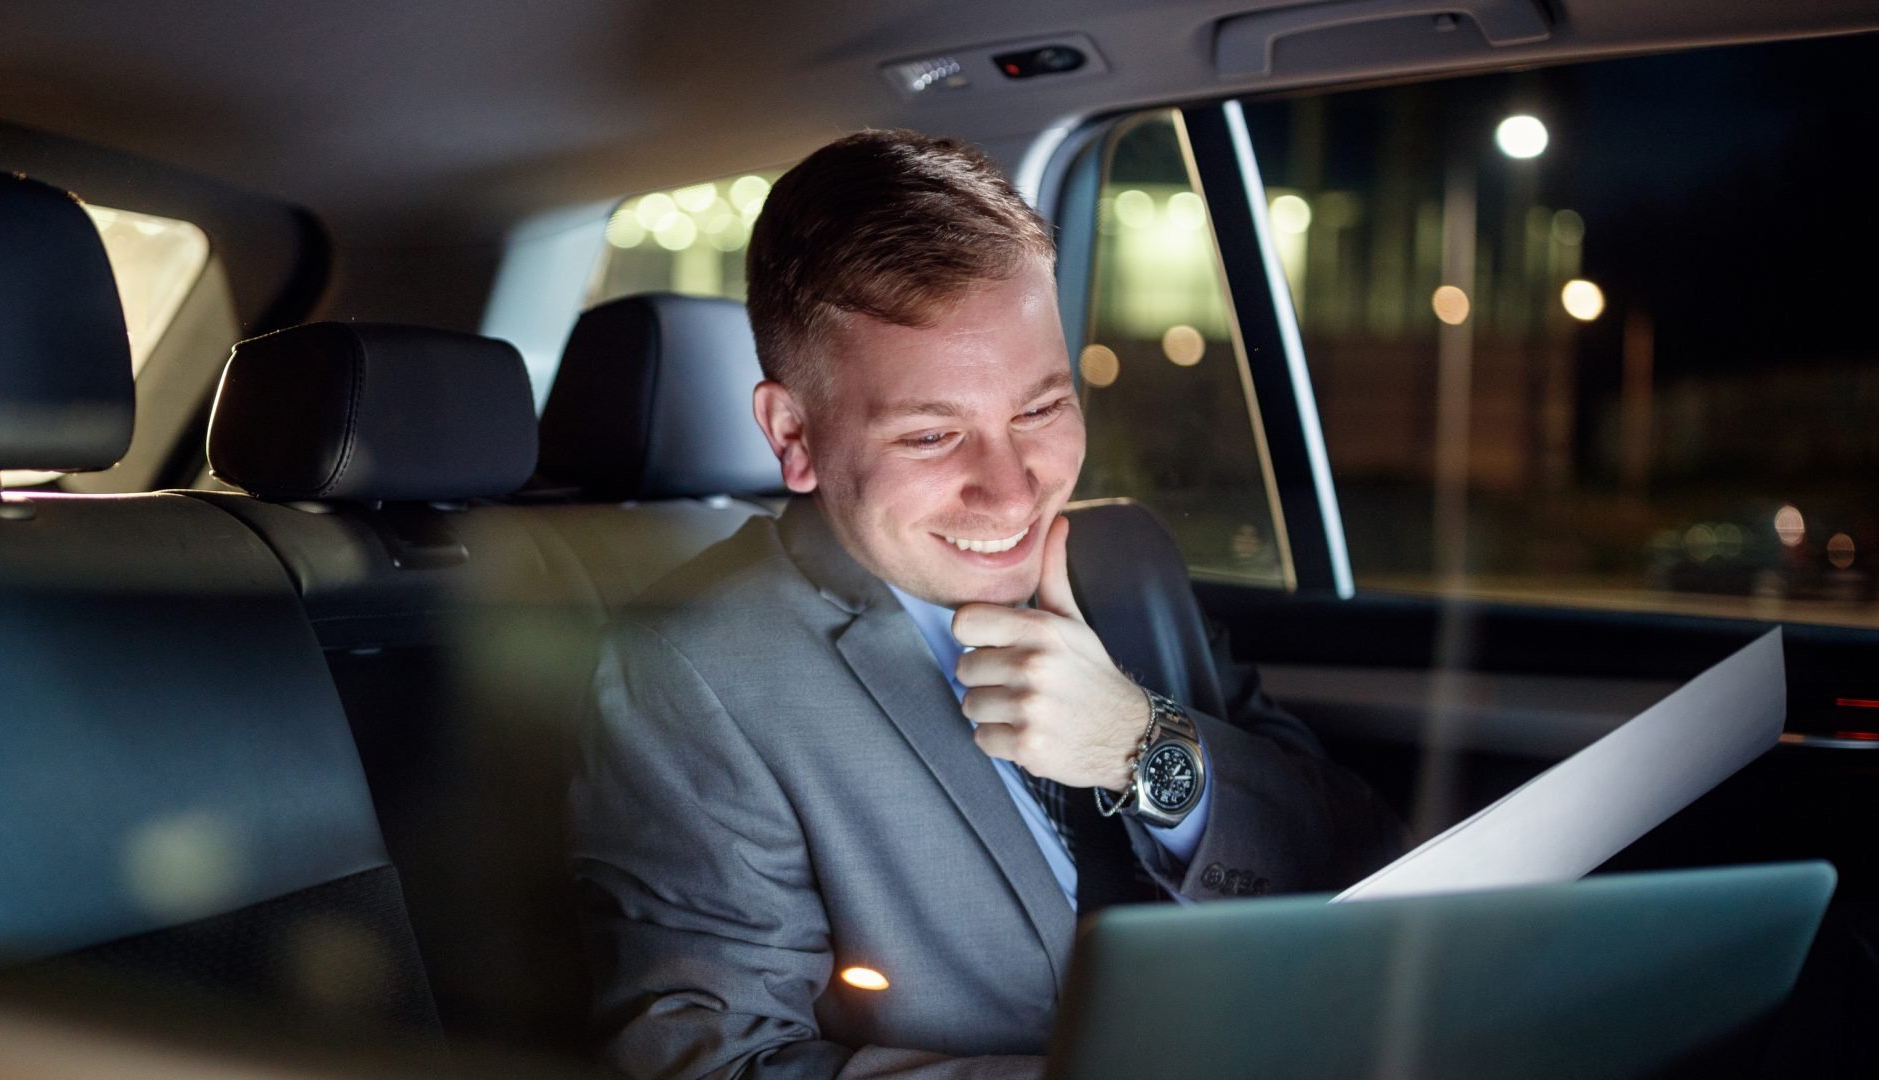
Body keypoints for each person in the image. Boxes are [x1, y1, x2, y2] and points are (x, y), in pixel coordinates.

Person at [569, 129, 1406, 1079]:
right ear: (792, 432)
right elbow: (714, 1064)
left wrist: (1146, 748)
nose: (1013, 495)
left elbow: (1369, 861)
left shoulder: (1124, 560)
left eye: (1041, 411)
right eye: (933, 437)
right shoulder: (698, 667)